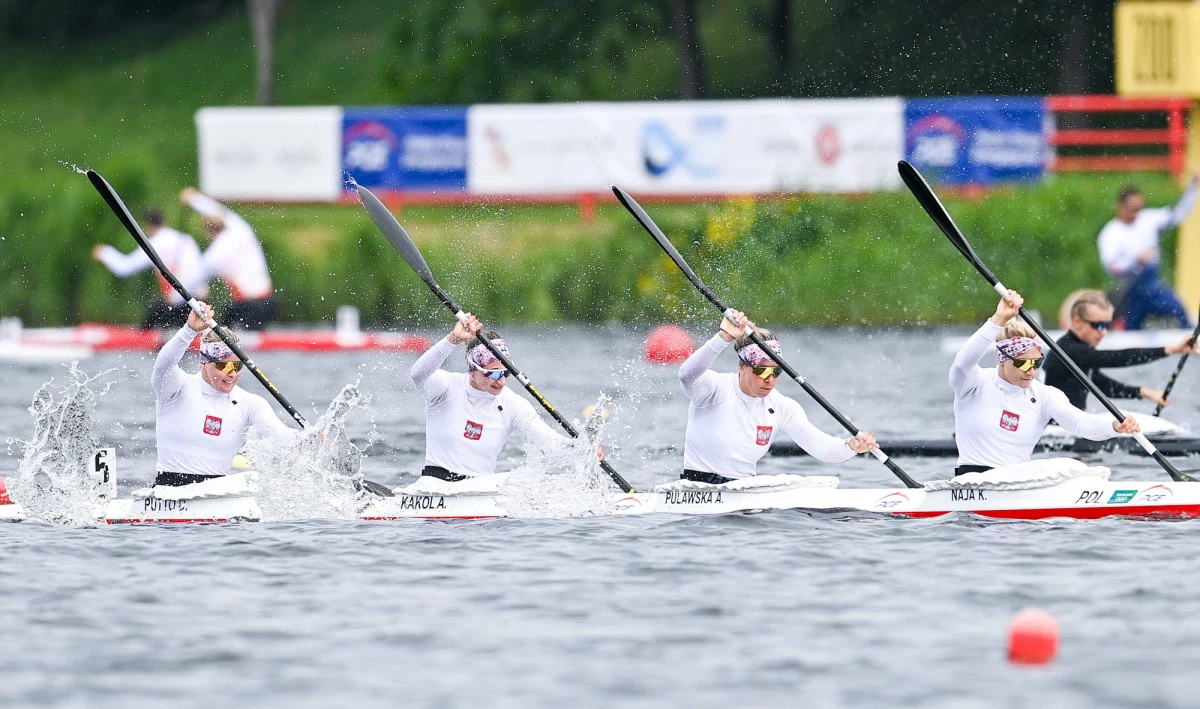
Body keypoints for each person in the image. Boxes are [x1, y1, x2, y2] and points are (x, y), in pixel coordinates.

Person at [950, 290, 1140, 476]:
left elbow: (1081, 423)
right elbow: (962, 362)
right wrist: (998, 319)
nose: (1032, 372)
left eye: (1036, 363)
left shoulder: (1044, 395)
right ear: (1003, 358)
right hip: (973, 484)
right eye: (1024, 364)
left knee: (1077, 468)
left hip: (1020, 484)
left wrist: (1114, 426)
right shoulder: (973, 383)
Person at [677, 310, 878, 484]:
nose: (770, 380)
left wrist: (851, 446)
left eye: (777, 372)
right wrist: (722, 338)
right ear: (742, 367)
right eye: (762, 371)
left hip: (743, 495)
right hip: (697, 490)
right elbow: (686, 375)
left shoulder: (782, 407)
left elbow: (822, 448)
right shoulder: (714, 388)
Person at [409, 314, 586, 481]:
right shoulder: (446, 387)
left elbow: (550, 443)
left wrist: (582, 449)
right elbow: (418, 374)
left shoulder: (512, 404)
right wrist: (452, 340)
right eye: (493, 374)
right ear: (473, 370)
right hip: (434, 488)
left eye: (506, 373)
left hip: (479, 492)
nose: (501, 381)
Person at [151, 301, 291, 487]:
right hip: (168, 492)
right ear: (204, 362)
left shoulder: (249, 404)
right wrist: (189, 331)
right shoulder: (178, 387)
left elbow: (282, 435)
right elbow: (163, 366)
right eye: (222, 365)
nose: (231, 373)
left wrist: (312, 439)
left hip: (218, 496)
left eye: (236, 365)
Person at [1044, 290, 1198, 410]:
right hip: (1056, 432)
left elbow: (1104, 386)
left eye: (1107, 326)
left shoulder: (1080, 354)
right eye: (1098, 326)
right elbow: (1120, 357)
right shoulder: (1069, 351)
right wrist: (1172, 349)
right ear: (1077, 322)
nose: (1103, 332)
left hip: (1068, 429)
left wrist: (1144, 392)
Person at [1098, 178, 1198, 329]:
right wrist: (1135, 259)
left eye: (1139, 207)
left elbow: (1176, 215)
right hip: (1130, 291)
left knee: (1180, 312)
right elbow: (1112, 267)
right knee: (1129, 329)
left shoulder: (1148, 219)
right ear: (1120, 206)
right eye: (1132, 208)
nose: (1137, 212)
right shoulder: (1110, 233)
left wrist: (1193, 189)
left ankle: (1191, 346)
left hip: (1154, 286)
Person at [92, 209, 209, 329]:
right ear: (164, 221)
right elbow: (201, 271)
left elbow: (125, 267)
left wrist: (104, 253)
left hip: (177, 304)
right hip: (199, 304)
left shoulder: (154, 244)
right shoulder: (186, 239)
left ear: (147, 226)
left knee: (148, 324)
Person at [180, 188, 276, 330]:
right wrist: (194, 199)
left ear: (209, 231)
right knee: (228, 314)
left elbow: (192, 282)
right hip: (270, 302)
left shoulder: (215, 255)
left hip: (250, 308)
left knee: (221, 332)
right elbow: (220, 211)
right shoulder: (240, 229)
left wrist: (171, 302)